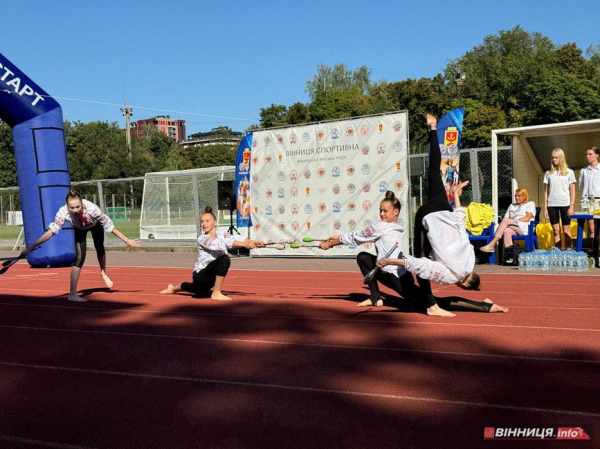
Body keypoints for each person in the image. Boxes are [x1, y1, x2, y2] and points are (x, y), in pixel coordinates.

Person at [380, 115, 508, 316]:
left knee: (433, 169)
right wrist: (394, 261)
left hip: (444, 209)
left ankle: (432, 128)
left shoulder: (470, 259)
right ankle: (432, 305)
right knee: (422, 263)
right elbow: (423, 266)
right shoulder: (452, 276)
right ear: (464, 284)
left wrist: (456, 198)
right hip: (427, 216)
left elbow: (460, 224)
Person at [19, 189, 141, 302]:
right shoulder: (63, 212)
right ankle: (72, 294)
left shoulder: (93, 209)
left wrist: (126, 240)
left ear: (82, 204)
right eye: (72, 208)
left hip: (95, 225)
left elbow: (110, 227)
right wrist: (30, 248)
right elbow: (51, 232)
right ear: (67, 206)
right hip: (79, 229)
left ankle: (103, 272)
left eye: (78, 207)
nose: (75, 210)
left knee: (99, 246)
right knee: (79, 259)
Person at [318, 190, 422, 309]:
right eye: (380, 210)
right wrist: (339, 237)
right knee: (363, 258)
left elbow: (358, 237)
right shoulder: (393, 227)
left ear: (396, 212)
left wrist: (330, 244)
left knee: (425, 304)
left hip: (396, 277)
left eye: (385, 211)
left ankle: (447, 302)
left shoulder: (383, 227)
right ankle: (375, 298)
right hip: (389, 273)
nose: (382, 213)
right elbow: (360, 234)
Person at [159, 206, 265, 301]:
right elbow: (220, 244)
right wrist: (243, 244)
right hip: (200, 275)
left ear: (215, 223)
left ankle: (172, 288)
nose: (204, 223)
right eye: (202, 221)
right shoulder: (202, 239)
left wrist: (254, 242)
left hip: (211, 277)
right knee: (224, 258)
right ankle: (217, 293)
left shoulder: (222, 234)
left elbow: (235, 238)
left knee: (195, 289)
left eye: (207, 221)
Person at [480, 188, 535, 253]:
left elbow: (527, 218)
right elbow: (505, 218)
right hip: (513, 227)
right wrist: (511, 222)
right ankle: (510, 255)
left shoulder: (530, 204)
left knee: (506, 221)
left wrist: (514, 221)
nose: (516, 197)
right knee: (506, 231)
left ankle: (492, 244)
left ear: (524, 197)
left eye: (519, 196)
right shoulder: (512, 206)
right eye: (516, 196)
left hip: (525, 228)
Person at [544, 148, 576, 248]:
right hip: (552, 204)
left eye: (556, 157)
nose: (554, 160)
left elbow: (573, 191)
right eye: (552, 158)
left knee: (566, 230)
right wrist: (545, 208)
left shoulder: (569, 172)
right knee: (556, 230)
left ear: (561, 158)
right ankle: (558, 253)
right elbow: (546, 192)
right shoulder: (548, 174)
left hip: (565, 204)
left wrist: (571, 206)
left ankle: (568, 252)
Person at [578, 146, 600, 238]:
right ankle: (592, 249)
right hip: (587, 200)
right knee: (592, 229)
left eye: (590, 154)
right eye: (587, 154)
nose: (588, 156)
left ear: (597, 155)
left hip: (599, 199)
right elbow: (581, 185)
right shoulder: (584, 171)